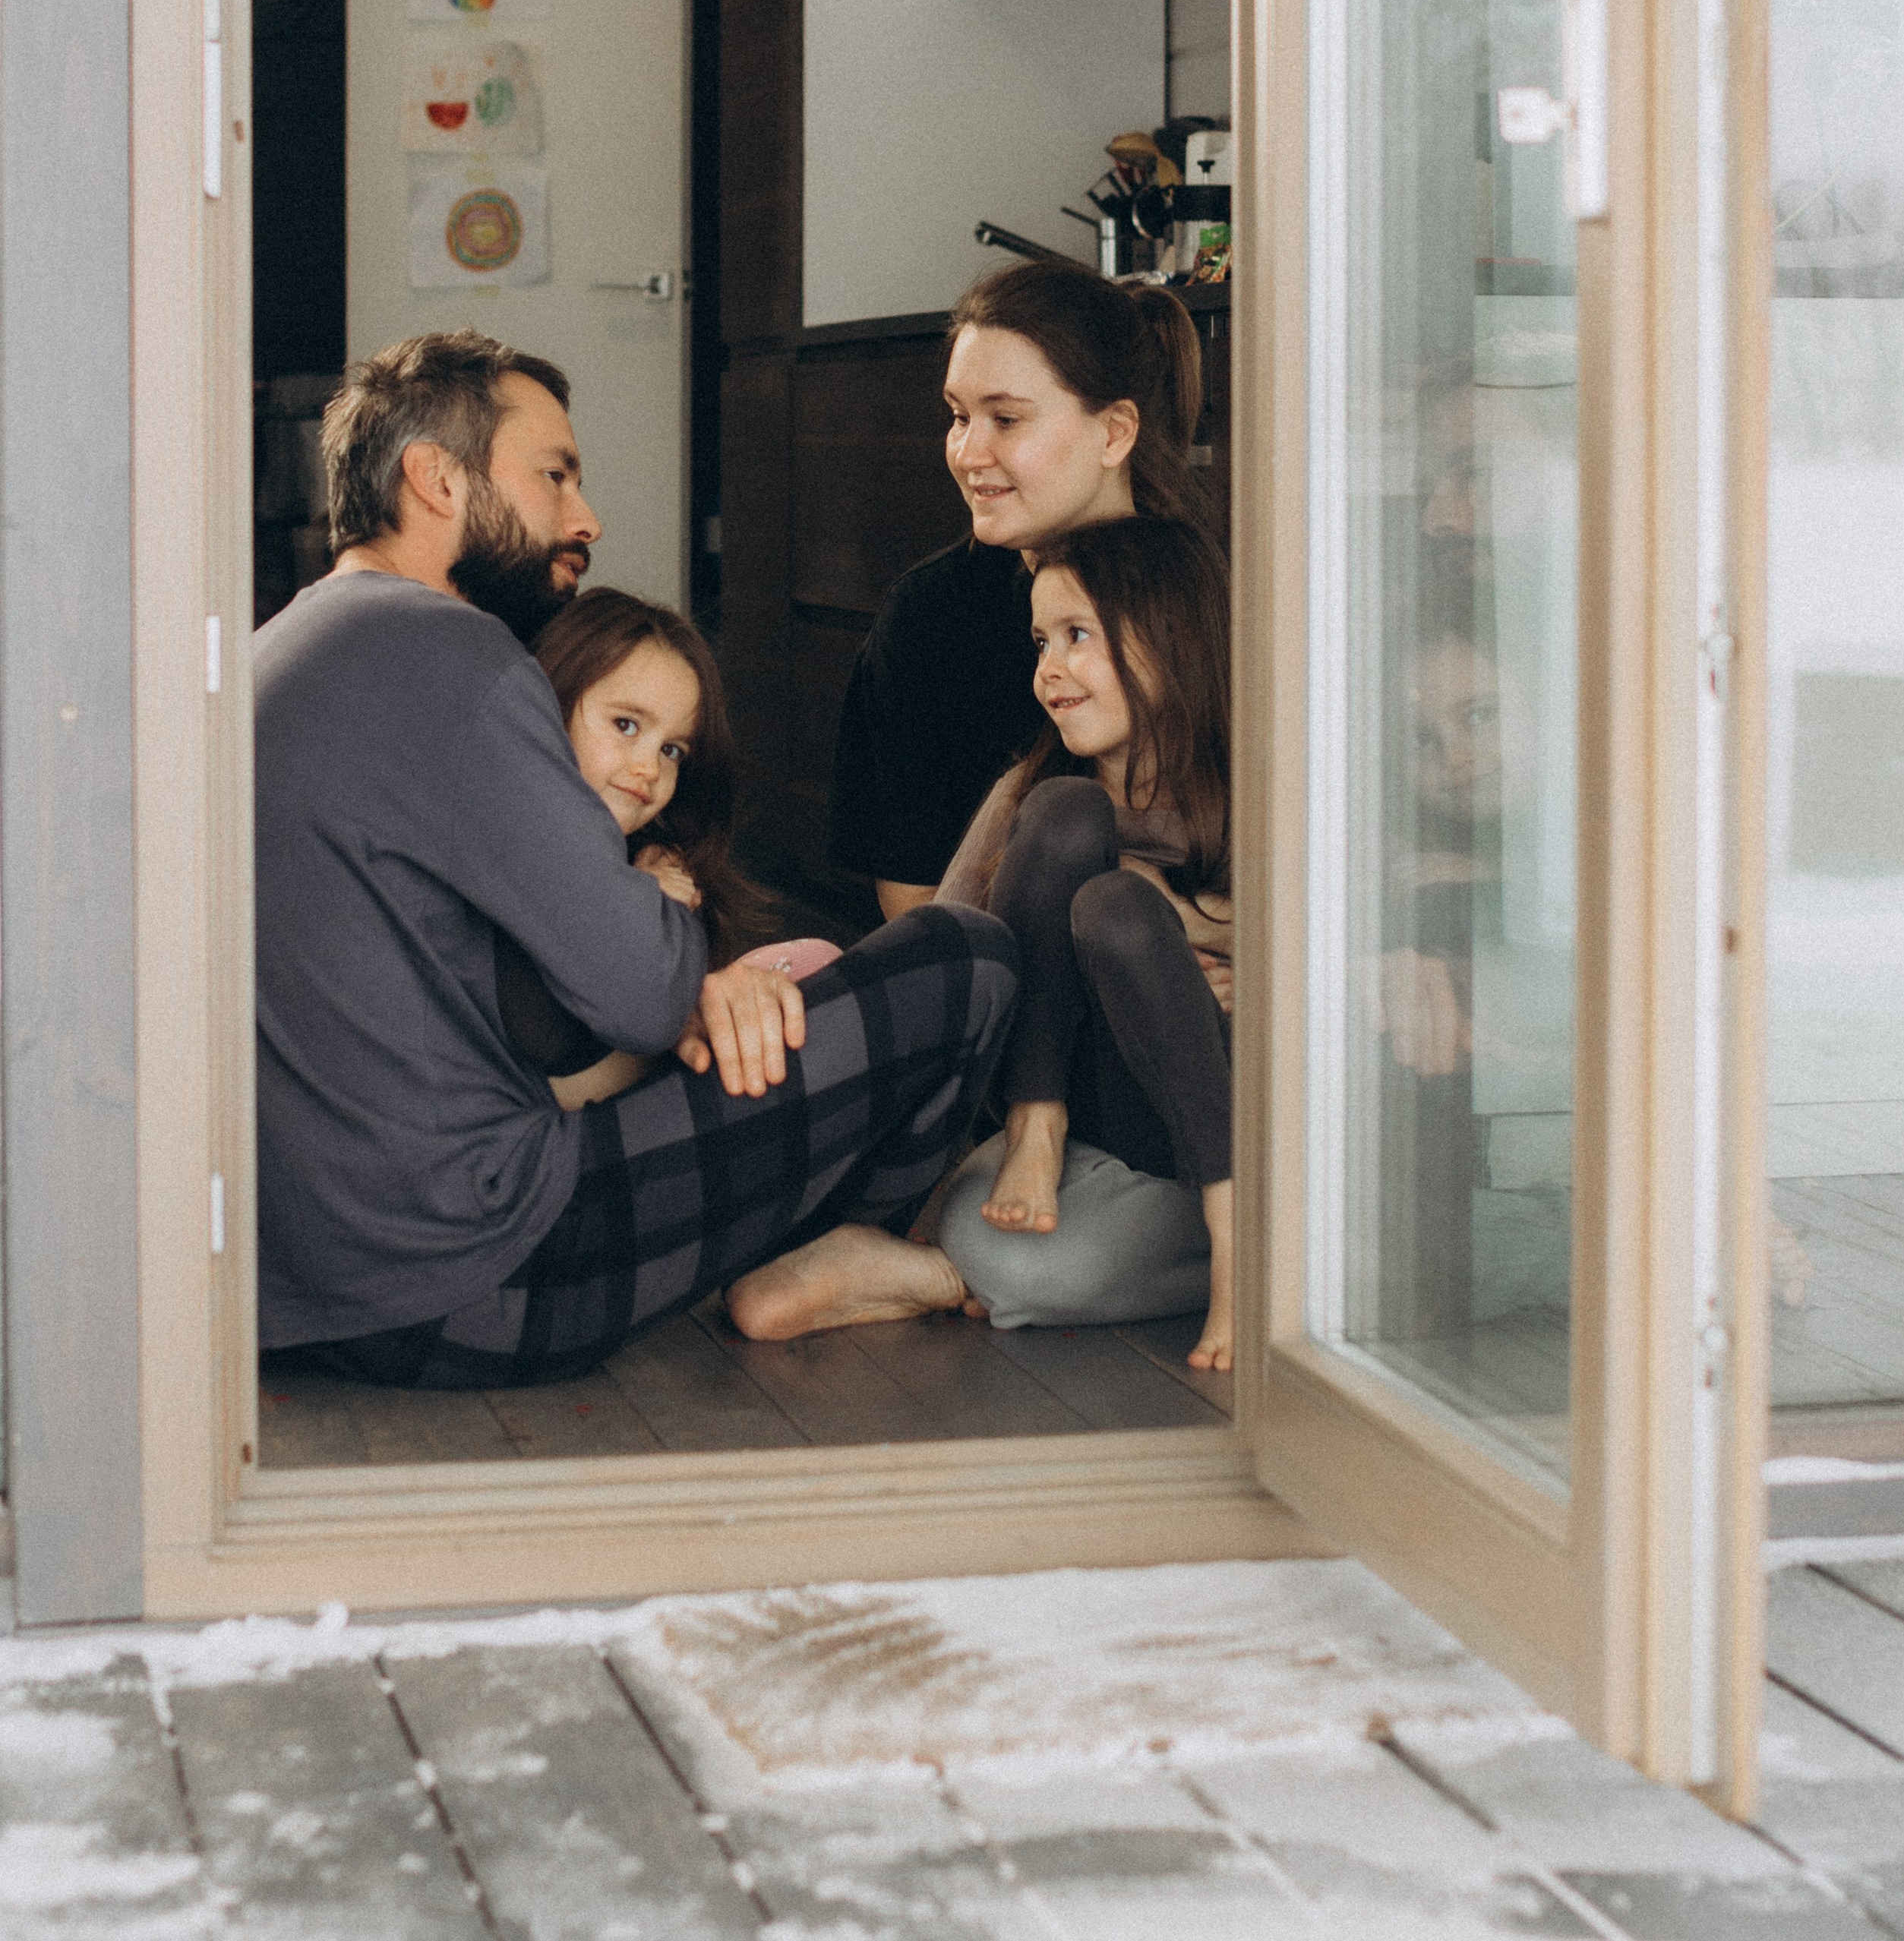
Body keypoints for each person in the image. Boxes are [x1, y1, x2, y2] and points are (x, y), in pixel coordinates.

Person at [254, 330, 1017, 1388]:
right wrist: (659, 892)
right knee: (967, 959)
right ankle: (828, 1252)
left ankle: (823, 1255)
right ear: (435, 478)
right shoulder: (450, 655)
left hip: (299, 1290)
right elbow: (648, 994)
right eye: (554, 474)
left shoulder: (283, 650)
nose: (586, 518)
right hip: (473, 1269)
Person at [933, 516, 1236, 1371]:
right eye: (1040, 643)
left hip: (1198, 1108)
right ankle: (1037, 1125)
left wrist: (1224, 956)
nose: (1049, 671)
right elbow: (947, 957)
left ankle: (1234, 1225)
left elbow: (1326, 950)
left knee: (1113, 907)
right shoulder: (1036, 797)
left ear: (1172, 641)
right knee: (1068, 823)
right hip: (1083, 1103)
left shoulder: (1253, 794)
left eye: (1077, 637)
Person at [826, 261, 1208, 917]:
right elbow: (919, 909)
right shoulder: (927, 619)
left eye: (1005, 419)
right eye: (957, 416)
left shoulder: (1211, 598)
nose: (968, 453)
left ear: (1115, 431)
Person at [497, 586, 841, 1113]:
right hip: (574, 1138)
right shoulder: (508, 850)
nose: (649, 768)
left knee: (818, 966)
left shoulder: (654, 857)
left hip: (640, 1091)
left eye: (673, 750)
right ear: (553, 702)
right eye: (626, 724)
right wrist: (633, 898)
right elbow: (565, 1038)